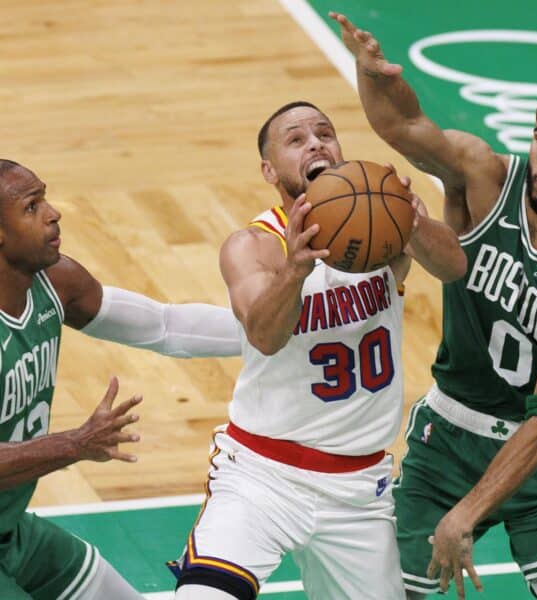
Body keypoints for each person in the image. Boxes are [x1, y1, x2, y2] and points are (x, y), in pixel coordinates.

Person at [170, 100, 466, 600]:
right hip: (263, 476)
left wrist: (412, 222)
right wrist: (296, 270)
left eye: (324, 133)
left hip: (358, 490)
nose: (316, 143)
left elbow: (454, 266)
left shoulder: (382, 228)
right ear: (268, 169)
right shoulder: (253, 247)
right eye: (296, 139)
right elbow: (264, 335)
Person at [330, 11, 537, 600]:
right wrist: (375, 74)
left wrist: (468, 514)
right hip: (448, 440)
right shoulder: (486, 177)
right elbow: (405, 126)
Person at [0, 159, 241, 599]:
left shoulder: (55, 282)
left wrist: (277, 333)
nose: (54, 213)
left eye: (46, 198)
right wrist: (75, 443)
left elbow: (163, 327)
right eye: (32, 207)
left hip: (11, 533)